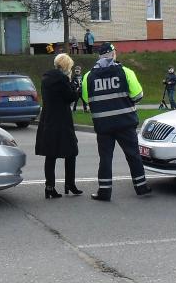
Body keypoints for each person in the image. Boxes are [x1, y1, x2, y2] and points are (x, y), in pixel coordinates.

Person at [81, 43, 150, 201]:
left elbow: (86, 99)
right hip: (125, 122)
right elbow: (138, 95)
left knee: (105, 158)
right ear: (113, 54)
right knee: (133, 155)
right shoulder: (125, 72)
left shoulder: (88, 76)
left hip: (103, 126)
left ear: (99, 57)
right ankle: (141, 187)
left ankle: (104, 192)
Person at [35, 53, 82, 199]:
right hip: (62, 120)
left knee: (51, 155)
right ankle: (70, 184)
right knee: (71, 152)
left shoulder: (46, 78)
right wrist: (77, 89)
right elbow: (70, 97)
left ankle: (49, 187)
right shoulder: (62, 80)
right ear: (67, 66)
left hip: (48, 119)